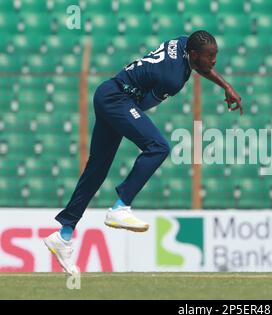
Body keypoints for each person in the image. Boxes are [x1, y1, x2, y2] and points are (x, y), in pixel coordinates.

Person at [43, 30, 243, 275]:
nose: (214, 61)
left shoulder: (181, 42)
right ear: (193, 54)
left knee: (97, 171)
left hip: (108, 92)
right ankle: (120, 207)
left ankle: (63, 235)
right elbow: (145, 104)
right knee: (158, 147)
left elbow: (200, 66)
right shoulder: (173, 78)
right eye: (209, 56)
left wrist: (227, 86)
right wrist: (130, 116)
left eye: (215, 55)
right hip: (118, 100)